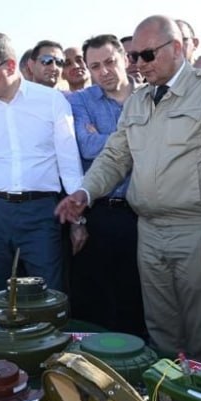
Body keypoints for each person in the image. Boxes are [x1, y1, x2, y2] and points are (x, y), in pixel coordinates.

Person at [57, 16, 201, 365]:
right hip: (148, 231)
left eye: (147, 55)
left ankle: (199, 399)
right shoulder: (139, 100)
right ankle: (165, 399)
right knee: (161, 335)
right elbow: (115, 157)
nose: (139, 64)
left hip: (197, 231)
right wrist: (85, 193)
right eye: (134, 56)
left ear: (176, 48)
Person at [0, 32, 84, 290]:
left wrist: (78, 221)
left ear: (10, 66)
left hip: (42, 212)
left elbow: (70, 166)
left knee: (49, 295)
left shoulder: (51, 101)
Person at [66, 35, 145, 337]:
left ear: (125, 58)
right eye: (95, 66)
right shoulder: (80, 100)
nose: (104, 71)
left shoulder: (149, 96)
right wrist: (139, 140)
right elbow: (86, 146)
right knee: (97, 306)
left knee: (137, 302)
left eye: (110, 62)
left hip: (143, 214)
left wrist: (102, 136)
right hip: (100, 213)